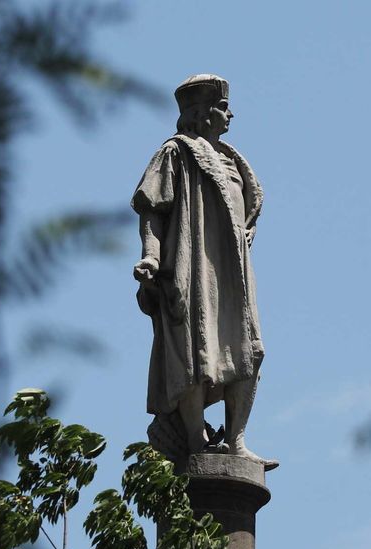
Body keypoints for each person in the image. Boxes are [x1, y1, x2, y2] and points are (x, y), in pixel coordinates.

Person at [132, 74, 277, 470]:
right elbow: (152, 209)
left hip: (233, 275)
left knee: (251, 349)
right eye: (223, 106)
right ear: (202, 113)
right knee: (197, 352)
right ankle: (196, 439)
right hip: (191, 265)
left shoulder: (232, 160)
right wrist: (150, 256)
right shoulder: (175, 153)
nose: (231, 114)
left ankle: (236, 440)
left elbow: (244, 209)